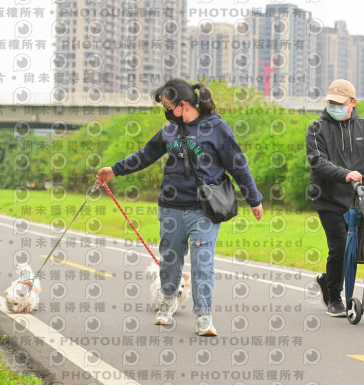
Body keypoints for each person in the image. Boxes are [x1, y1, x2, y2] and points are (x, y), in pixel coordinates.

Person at [96, 79, 263, 336]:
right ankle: (168, 300)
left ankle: (204, 316)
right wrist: (114, 170)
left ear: (182, 105)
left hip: (204, 209)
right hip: (171, 207)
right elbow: (145, 155)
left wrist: (254, 199)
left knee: (202, 262)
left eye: (167, 106)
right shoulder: (169, 130)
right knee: (170, 261)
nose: (165, 111)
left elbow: (237, 164)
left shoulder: (216, 128)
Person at [306, 79, 364, 317]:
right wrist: (345, 174)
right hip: (328, 199)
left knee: (360, 249)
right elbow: (317, 162)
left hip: (360, 200)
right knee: (339, 246)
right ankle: (334, 297)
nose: (334, 107)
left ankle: (330, 280)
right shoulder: (316, 129)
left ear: (353, 103)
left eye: (340, 103)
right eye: (331, 103)